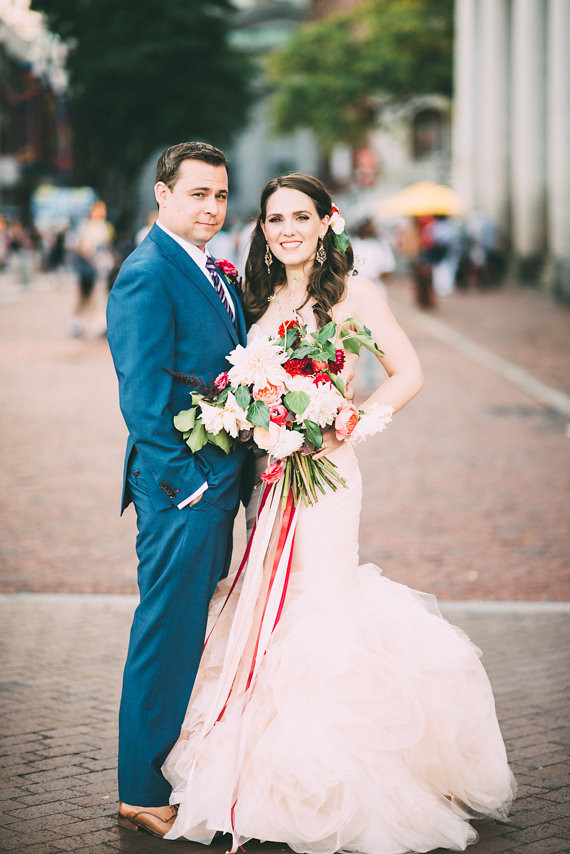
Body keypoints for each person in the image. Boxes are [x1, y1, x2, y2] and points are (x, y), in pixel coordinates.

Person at [161, 174, 515, 852]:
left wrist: (347, 422)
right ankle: (256, 764)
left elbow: (408, 373)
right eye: (275, 219)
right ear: (262, 230)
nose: (288, 229)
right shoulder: (255, 295)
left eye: (301, 216)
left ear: (327, 222)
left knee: (317, 606)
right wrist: (252, 417)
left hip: (325, 478)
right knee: (268, 603)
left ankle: (329, 776)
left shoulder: (354, 293)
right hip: (269, 480)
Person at [106, 142, 252, 838]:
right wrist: (185, 486)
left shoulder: (208, 268)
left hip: (217, 484)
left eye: (220, 195)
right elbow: (141, 397)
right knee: (165, 634)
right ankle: (140, 791)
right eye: (198, 193)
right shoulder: (147, 273)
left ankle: (174, 768)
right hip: (181, 492)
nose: (212, 207)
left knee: (189, 631)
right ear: (163, 194)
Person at [70, 200, 115, 336]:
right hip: (87, 267)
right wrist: (93, 258)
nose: (102, 212)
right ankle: (76, 323)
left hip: (101, 268)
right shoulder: (86, 226)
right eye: (99, 209)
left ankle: (98, 324)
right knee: (84, 295)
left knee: (99, 295)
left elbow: (108, 246)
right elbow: (81, 246)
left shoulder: (105, 226)